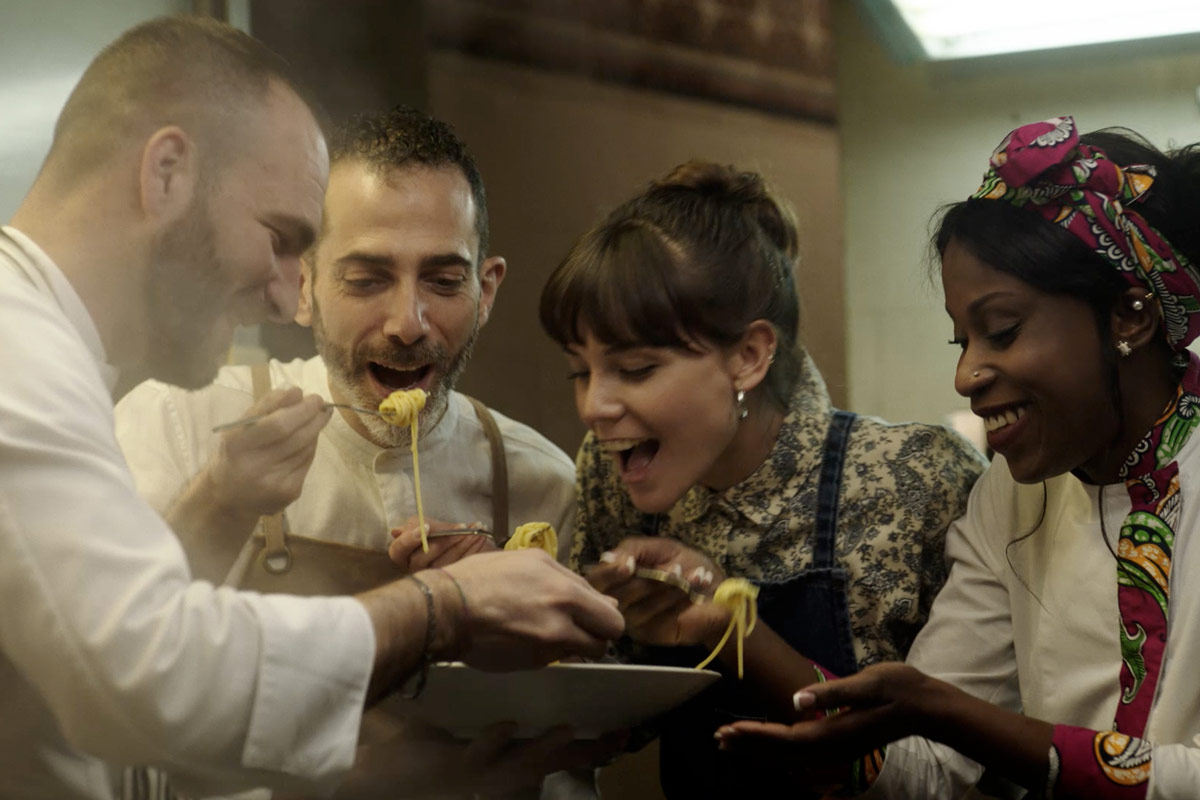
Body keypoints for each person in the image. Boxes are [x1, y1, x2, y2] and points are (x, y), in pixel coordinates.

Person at [0, 16, 624, 800]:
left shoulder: (42, 348)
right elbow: (149, 672)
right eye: (280, 238)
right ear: (166, 174)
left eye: (442, 278)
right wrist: (444, 606)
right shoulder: (17, 356)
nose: (279, 291)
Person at [114, 104, 592, 799]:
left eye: (443, 280)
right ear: (303, 285)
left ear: (486, 292)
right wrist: (217, 504)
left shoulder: (540, 484)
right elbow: (109, 715)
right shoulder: (182, 422)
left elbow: (569, 764)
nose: (408, 323)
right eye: (366, 279)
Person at [714, 116, 1200, 799]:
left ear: (1130, 316)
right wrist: (733, 627)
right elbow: (930, 765)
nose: (968, 375)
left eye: (1001, 331)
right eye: (962, 341)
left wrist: (949, 714)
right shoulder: (1009, 498)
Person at [538, 160, 986, 796]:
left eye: (635, 369)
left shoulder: (913, 477)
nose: (593, 407)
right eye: (580, 371)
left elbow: (963, 769)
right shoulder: (610, 473)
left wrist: (735, 634)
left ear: (748, 356)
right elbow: (606, 722)